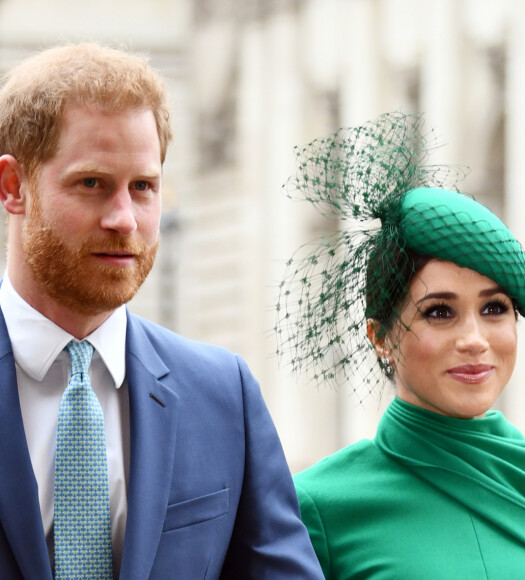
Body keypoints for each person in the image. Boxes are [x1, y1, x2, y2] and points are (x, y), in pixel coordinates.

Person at [0, 42, 324, 580]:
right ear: (14, 187)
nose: (124, 218)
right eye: (92, 184)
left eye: (144, 187)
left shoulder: (223, 395)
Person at [275, 112, 525, 578]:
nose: (474, 340)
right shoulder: (317, 509)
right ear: (380, 337)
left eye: (494, 308)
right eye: (439, 312)